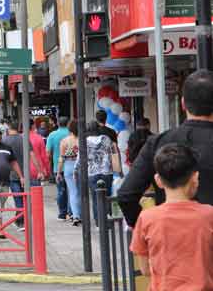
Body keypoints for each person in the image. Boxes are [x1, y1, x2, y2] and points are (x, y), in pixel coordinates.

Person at [118, 69, 213, 227]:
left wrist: (149, 229)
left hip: (171, 241)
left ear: (183, 103)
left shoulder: (157, 143)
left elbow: (126, 195)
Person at [129, 143, 213, 290]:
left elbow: (145, 269)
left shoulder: (146, 218)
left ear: (158, 180)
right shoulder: (209, 215)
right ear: (195, 177)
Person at [2, 121, 40, 230]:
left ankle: (21, 222)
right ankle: (22, 219)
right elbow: (32, 155)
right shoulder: (24, 139)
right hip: (25, 173)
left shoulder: (4, 140)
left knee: (18, 198)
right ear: (18, 127)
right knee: (26, 198)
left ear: (9, 127)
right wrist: (39, 170)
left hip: (11, 174)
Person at [75, 121, 114, 225]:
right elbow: (111, 153)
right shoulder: (106, 139)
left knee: (95, 197)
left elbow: (80, 159)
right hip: (107, 171)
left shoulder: (84, 141)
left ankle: (99, 222)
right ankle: (108, 220)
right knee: (107, 196)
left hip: (92, 172)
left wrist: (76, 169)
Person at [57, 120, 81, 226]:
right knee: (80, 192)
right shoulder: (82, 140)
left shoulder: (64, 141)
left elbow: (61, 158)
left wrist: (58, 172)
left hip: (68, 165)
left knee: (72, 191)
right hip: (80, 165)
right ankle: (78, 213)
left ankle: (75, 215)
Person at [46, 117, 71, 220]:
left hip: (58, 167)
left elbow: (47, 152)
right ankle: (72, 213)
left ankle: (62, 214)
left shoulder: (52, 135)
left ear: (57, 123)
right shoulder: (72, 134)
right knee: (73, 191)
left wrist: (50, 162)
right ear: (68, 123)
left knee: (61, 191)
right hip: (72, 166)